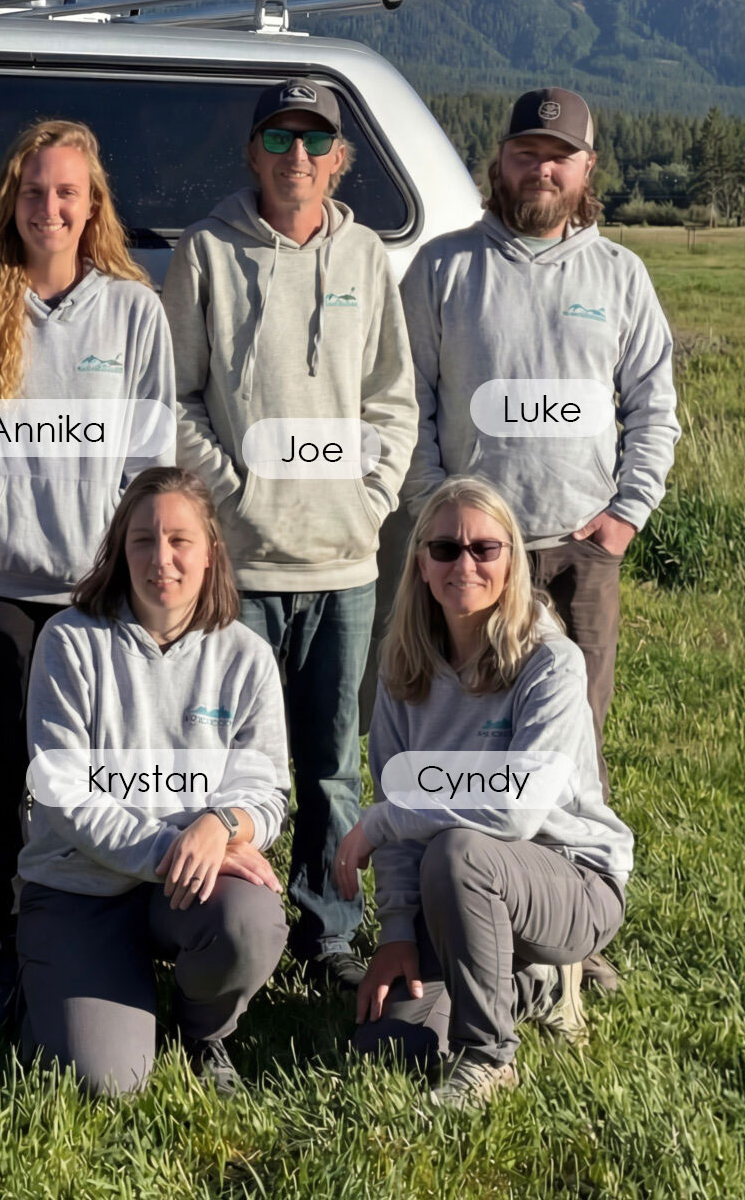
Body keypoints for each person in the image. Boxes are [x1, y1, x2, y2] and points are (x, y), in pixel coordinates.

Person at [399, 86, 675, 993]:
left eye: (559, 155)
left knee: (573, 741)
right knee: (462, 728)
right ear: (500, 160)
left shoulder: (620, 277)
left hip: (575, 547)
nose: (541, 168)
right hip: (471, 564)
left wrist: (625, 515)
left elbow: (653, 407)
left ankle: (567, 932)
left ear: (587, 168)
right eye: (526, 152)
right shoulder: (443, 271)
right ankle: (464, 909)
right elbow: (411, 408)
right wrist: (445, 524)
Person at [162, 78, 416, 993]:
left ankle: (330, 933)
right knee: (229, 756)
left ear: (340, 159)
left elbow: (392, 399)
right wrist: (229, 498)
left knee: (332, 765)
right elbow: (178, 397)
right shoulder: (205, 254)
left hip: (345, 561)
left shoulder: (364, 260)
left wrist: (372, 497)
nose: (296, 157)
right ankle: (239, 921)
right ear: (253, 151)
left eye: (315, 141)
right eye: (280, 137)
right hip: (242, 566)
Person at [0, 118, 175, 1011]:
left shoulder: (134, 311)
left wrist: (148, 578)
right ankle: (6, 939)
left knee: (100, 772)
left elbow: (152, 461)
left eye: (67, 192)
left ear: (92, 202)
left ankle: (109, 933)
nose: (49, 208)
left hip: (99, 591)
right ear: (10, 200)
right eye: (33, 192)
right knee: (5, 775)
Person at [335, 476, 633, 1110]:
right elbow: (398, 791)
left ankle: (490, 1058)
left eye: (484, 548)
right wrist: (396, 933)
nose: (463, 563)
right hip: (459, 896)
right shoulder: (402, 665)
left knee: (461, 850)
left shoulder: (550, 662)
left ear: (512, 561)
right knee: (391, 1044)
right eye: (444, 549)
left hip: (571, 882)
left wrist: (385, 821)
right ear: (419, 562)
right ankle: (538, 986)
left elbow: (517, 810)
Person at [17, 466, 291, 1096]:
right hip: (80, 884)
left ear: (210, 550)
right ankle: (50, 992)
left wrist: (224, 825)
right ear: (120, 549)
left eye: (179, 540)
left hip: (191, 887)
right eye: (142, 540)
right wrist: (176, 848)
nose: (160, 558)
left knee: (250, 920)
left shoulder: (245, 655)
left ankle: (204, 1033)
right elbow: (65, 795)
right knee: (106, 1081)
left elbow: (265, 788)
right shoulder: (70, 641)